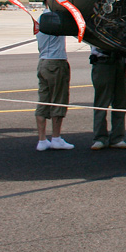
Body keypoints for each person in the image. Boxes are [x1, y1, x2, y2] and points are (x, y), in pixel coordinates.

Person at [35, 15, 74, 151]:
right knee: (58, 99)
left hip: (43, 61)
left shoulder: (40, 19)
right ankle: (56, 138)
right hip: (56, 61)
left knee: (43, 100)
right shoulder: (54, 18)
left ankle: (42, 139)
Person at [90, 46, 126, 150]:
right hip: (102, 61)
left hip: (119, 61)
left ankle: (117, 137)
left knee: (120, 102)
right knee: (101, 102)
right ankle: (99, 138)